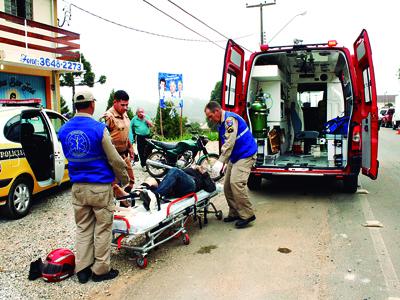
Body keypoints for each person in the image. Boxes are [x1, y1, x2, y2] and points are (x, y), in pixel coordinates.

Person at [58, 90, 129, 284]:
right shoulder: (98, 128)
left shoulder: (63, 130)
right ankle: (100, 270)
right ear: (92, 105)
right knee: (103, 228)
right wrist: (124, 180)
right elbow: (114, 158)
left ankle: (82, 269)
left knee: (83, 228)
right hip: (100, 187)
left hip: (78, 187)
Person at [204, 101, 257, 229]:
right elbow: (226, 145)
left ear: (217, 111)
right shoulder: (221, 124)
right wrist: (226, 163)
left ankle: (247, 215)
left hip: (245, 154)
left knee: (236, 183)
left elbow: (229, 143)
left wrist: (220, 161)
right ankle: (235, 212)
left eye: (210, 116)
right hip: (235, 156)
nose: (210, 119)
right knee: (227, 186)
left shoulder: (229, 120)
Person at [114, 166, 216, 210]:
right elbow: (175, 175)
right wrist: (192, 168)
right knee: (151, 179)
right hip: (172, 186)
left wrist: (205, 174)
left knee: (175, 170)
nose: (201, 167)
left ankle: (156, 196)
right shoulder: (191, 169)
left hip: (190, 186)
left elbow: (212, 188)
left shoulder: (204, 178)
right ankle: (132, 195)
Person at [103, 90, 135, 191]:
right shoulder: (108, 117)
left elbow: (124, 133)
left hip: (125, 155)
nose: (125, 108)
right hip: (114, 158)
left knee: (130, 181)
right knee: (116, 185)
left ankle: (124, 202)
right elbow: (102, 138)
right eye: (123, 105)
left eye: (127, 105)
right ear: (115, 102)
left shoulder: (125, 114)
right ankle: (118, 204)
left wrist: (130, 147)